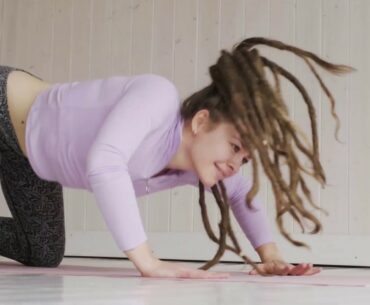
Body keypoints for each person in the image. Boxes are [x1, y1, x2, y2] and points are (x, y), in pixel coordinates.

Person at [0, 37, 352, 279]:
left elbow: (241, 193)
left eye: (244, 159)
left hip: (30, 162)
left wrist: (272, 257)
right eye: (234, 147)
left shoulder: (190, 168)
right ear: (201, 121)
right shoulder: (157, 97)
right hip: (7, 107)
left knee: (42, 251)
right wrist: (147, 261)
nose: (236, 164)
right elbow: (104, 162)